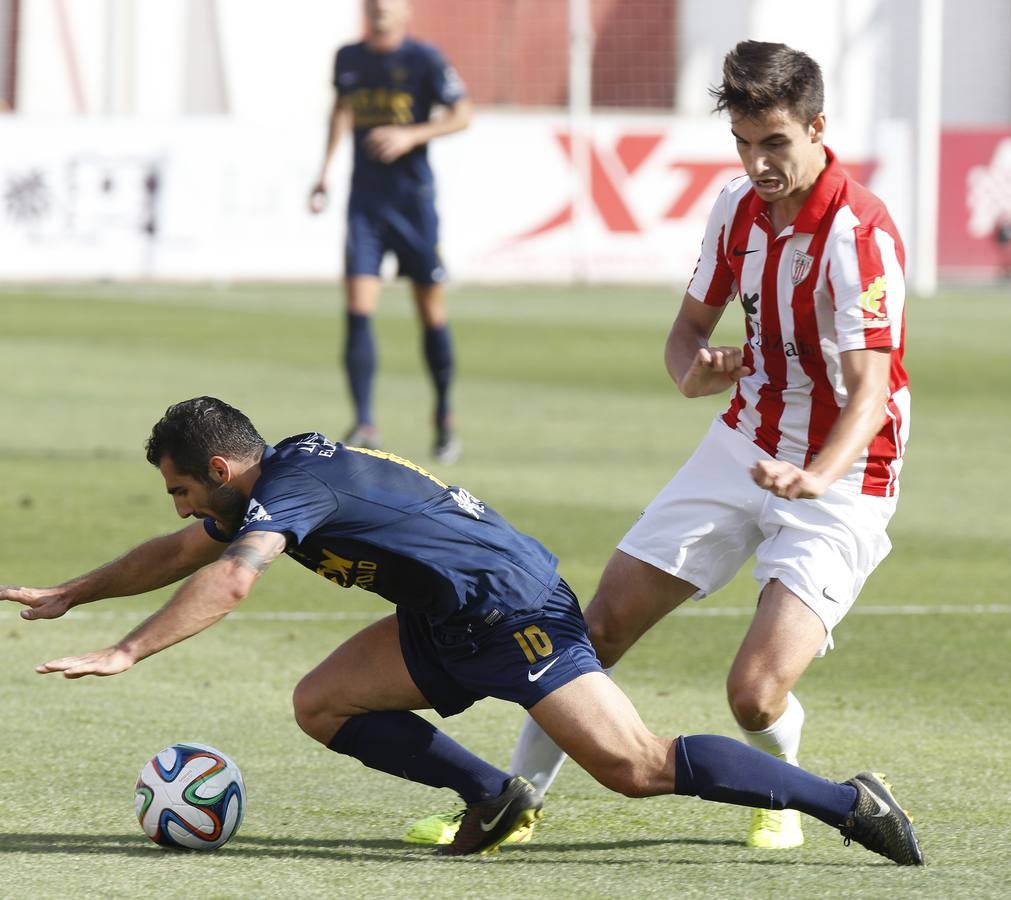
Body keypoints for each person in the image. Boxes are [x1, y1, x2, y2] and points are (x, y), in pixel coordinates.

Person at [1, 397, 923, 865]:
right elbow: (182, 551)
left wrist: (128, 650)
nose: (182, 506)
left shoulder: (289, 491)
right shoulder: (269, 483)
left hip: (513, 610)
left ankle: (848, 803)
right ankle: (496, 795)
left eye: (182, 486)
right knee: (321, 702)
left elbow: (234, 580)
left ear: (217, 467)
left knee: (636, 768)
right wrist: (73, 596)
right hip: (443, 616)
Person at [411, 39, 914, 852]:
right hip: (743, 441)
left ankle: (779, 793)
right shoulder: (737, 209)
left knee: (752, 695)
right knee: (590, 630)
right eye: (745, 145)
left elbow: (868, 392)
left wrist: (815, 475)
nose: (758, 164)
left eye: (776, 143)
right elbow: (687, 336)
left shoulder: (861, 236)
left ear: (820, 127)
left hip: (846, 474)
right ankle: (514, 804)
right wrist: (691, 373)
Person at [309, 0, 473, 463]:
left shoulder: (425, 59)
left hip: (413, 204)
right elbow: (341, 110)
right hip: (366, 204)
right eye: (373, 4)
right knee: (358, 307)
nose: (380, 9)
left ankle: (443, 416)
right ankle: (364, 421)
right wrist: (324, 171)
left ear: (405, 11)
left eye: (388, 4)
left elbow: (463, 113)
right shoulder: (349, 58)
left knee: (430, 310)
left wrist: (411, 135)